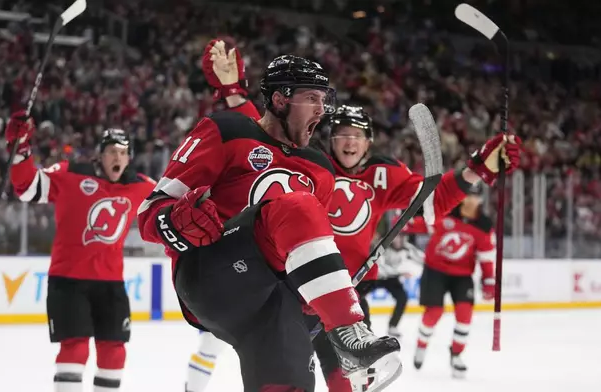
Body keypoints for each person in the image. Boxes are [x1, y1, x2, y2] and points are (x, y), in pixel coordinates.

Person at [181, 38, 522, 392]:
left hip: (346, 292)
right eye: (342, 134)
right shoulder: (310, 164)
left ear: (369, 142)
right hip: (285, 285)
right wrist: (233, 90)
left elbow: (431, 201)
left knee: (348, 383)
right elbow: (261, 133)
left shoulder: (384, 174)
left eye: (357, 136)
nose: (349, 142)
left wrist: (479, 169)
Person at [138, 53, 402, 392]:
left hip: (275, 301)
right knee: (295, 205)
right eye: (312, 99)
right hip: (213, 274)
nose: (321, 110)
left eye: (324, 100)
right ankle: (349, 333)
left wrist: (318, 296)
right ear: (280, 100)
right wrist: (174, 219)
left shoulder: (320, 167)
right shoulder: (226, 130)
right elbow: (149, 214)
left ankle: (343, 336)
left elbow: (305, 246)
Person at [6, 113, 156, 392]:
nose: (118, 158)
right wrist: (21, 149)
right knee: (75, 350)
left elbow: (175, 203)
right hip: (68, 281)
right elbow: (26, 188)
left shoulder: (141, 186)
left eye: (123, 153)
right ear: (100, 155)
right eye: (112, 151)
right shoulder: (70, 173)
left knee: (114, 353)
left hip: (111, 284)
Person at [399, 185, 495, 378]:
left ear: (480, 200)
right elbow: (422, 224)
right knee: (433, 313)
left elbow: (486, 257)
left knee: (465, 314)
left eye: (474, 197)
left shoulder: (484, 226)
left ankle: (457, 354)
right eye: (467, 196)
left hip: (462, 275)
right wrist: (403, 221)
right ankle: (422, 344)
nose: (470, 201)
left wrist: (489, 281)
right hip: (435, 270)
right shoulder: (447, 211)